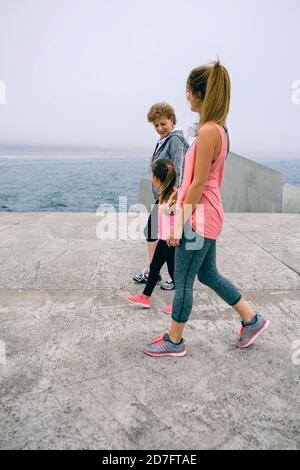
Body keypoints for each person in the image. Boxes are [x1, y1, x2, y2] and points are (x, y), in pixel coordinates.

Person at [143, 61, 270, 357]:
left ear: (199, 93)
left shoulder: (210, 131)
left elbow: (200, 183)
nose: (186, 96)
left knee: (184, 280)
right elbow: (196, 180)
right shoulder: (217, 129)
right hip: (206, 214)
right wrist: (177, 194)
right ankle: (252, 320)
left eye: (188, 90)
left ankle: (174, 341)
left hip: (199, 219)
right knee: (208, 274)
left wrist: (177, 225)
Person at [133, 102, 189, 290]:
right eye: (156, 125)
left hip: (170, 199)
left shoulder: (175, 140)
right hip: (164, 197)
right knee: (155, 234)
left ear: (172, 120)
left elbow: (179, 170)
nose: (159, 128)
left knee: (168, 239)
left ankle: (166, 276)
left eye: (163, 123)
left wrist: (174, 201)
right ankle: (153, 272)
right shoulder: (164, 140)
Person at [128, 159, 177, 308]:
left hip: (170, 240)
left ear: (155, 178)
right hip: (164, 238)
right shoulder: (165, 194)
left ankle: (179, 303)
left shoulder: (173, 196)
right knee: (155, 267)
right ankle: (145, 297)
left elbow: (179, 215)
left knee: (173, 271)